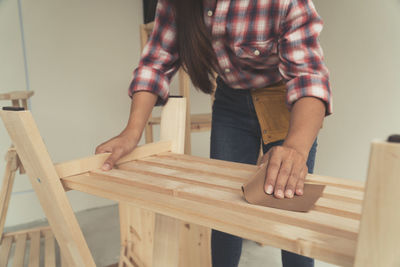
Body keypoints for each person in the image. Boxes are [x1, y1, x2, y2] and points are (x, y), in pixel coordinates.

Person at [95, 0, 332, 266]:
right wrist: (131, 132)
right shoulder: (174, 3)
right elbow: (155, 64)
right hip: (231, 99)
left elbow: (309, 78)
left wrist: (296, 150)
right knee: (223, 207)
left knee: (290, 208)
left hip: (285, 100)